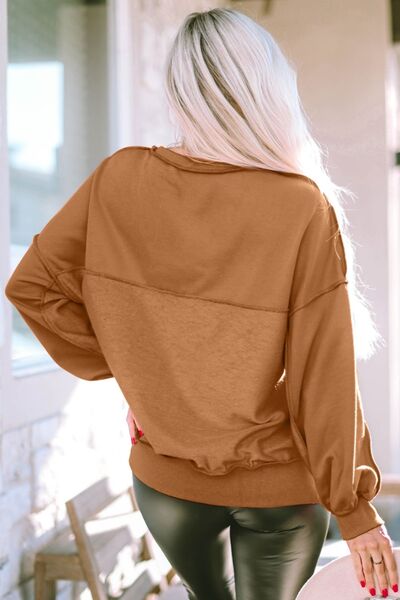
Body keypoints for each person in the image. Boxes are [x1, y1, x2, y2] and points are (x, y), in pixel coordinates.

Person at [4, 7, 398, 600]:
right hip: (280, 494)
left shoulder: (119, 179)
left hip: (168, 489)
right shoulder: (301, 206)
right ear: (267, 89)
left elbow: (33, 288)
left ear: (180, 92)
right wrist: (356, 509)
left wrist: (140, 376)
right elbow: (324, 379)